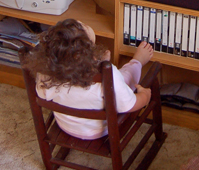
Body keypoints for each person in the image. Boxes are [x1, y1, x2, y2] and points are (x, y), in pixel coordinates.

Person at [23, 18, 154, 140]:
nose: (82, 24)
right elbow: (129, 105)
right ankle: (138, 61)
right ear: (88, 53)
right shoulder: (109, 75)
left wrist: (99, 62)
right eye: (83, 27)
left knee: (112, 79)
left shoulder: (45, 72)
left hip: (65, 126)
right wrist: (145, 96)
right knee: (124, 76)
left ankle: (104, 63)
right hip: (98, 130)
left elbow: (43, 95)